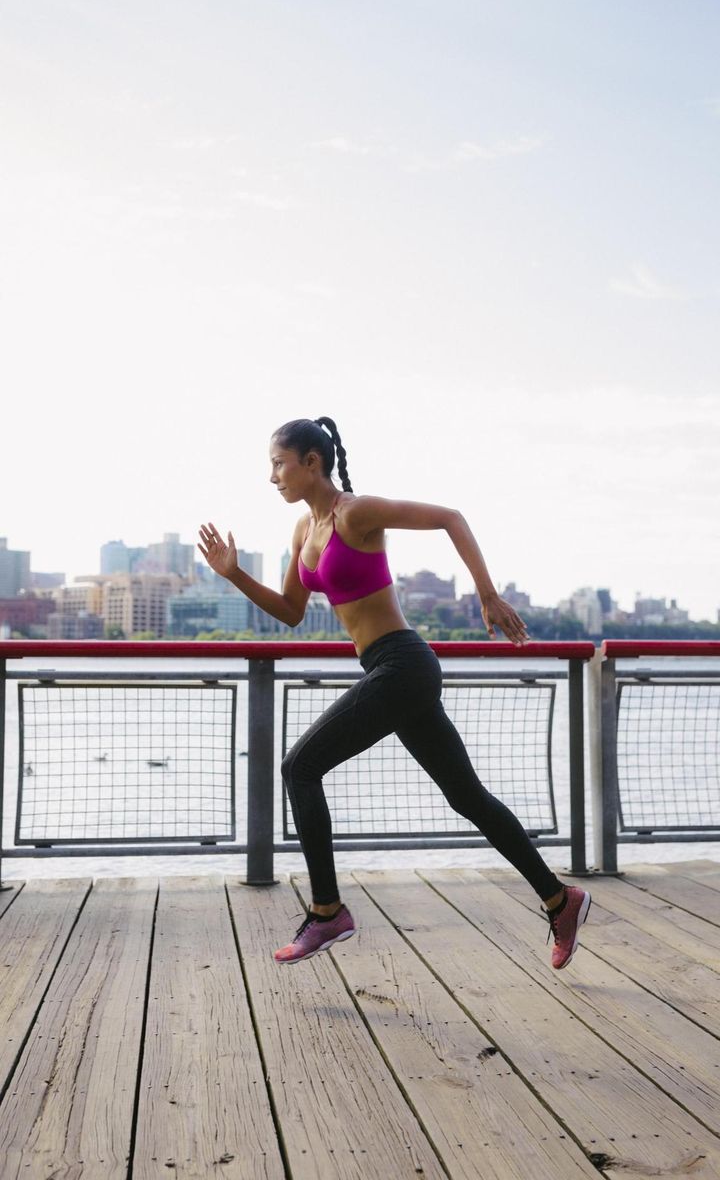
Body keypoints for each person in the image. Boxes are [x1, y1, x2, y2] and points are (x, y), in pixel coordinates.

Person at [198, 416, 591, 970]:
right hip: (388, 668)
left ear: (313, 462)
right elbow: (289, 613)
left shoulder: (355, 513)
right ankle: (560, 898)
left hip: (404, 664)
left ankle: (328, 910)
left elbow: (451, 518)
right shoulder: (303, 533)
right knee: (467, 796)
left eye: (279, 464)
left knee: (299, 769)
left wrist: (487, 595)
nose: (272, 477)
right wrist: (233, 574)